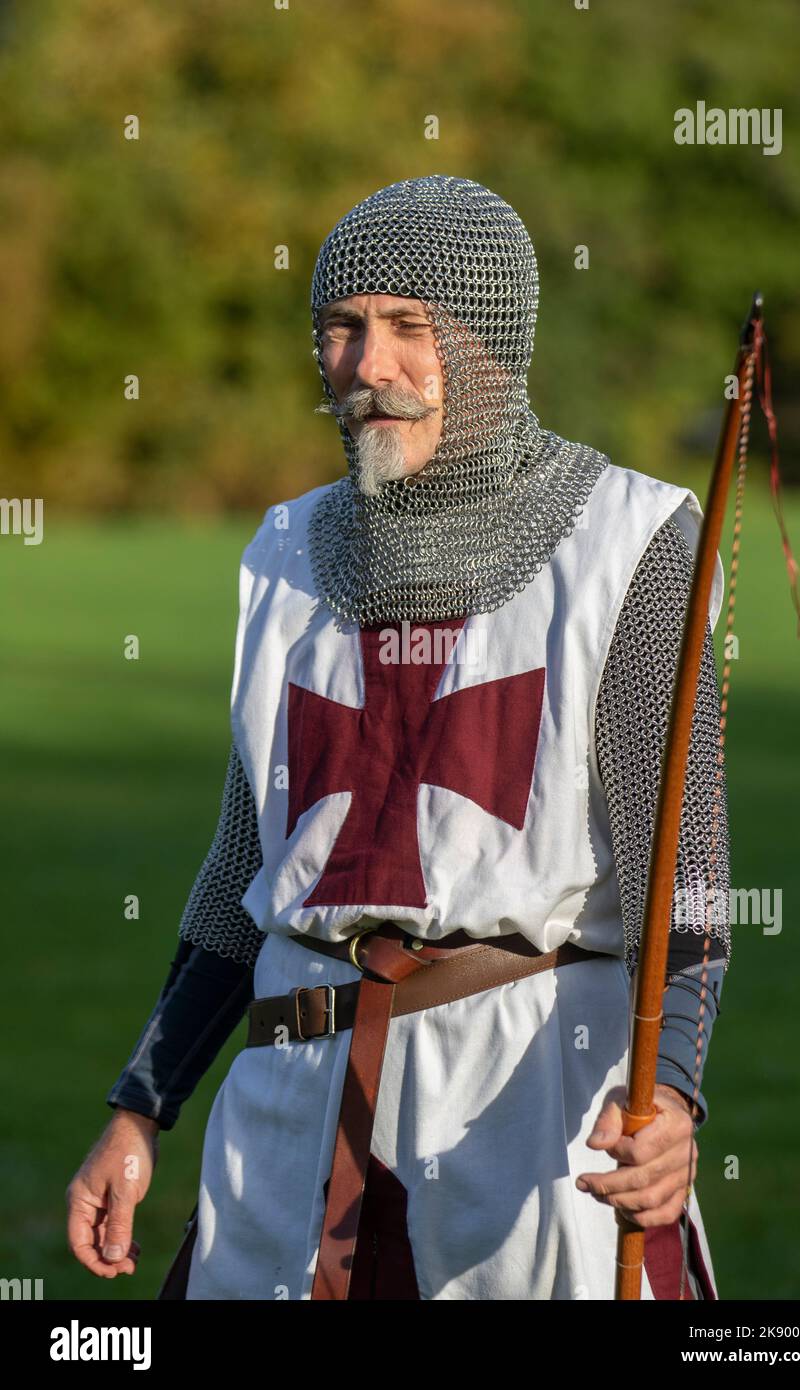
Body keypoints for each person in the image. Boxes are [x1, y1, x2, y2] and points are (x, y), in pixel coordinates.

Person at [67, 175, 731, 1300]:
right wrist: (141, 1106)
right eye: (340, 326)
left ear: (486, 344)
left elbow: (691, 883)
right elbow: (242, 876)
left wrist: (667, 1097)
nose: (367, 365)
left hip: (521, 1116)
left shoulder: (629, 542)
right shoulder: (283, 556)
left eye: (408, 327)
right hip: (289, 1111)